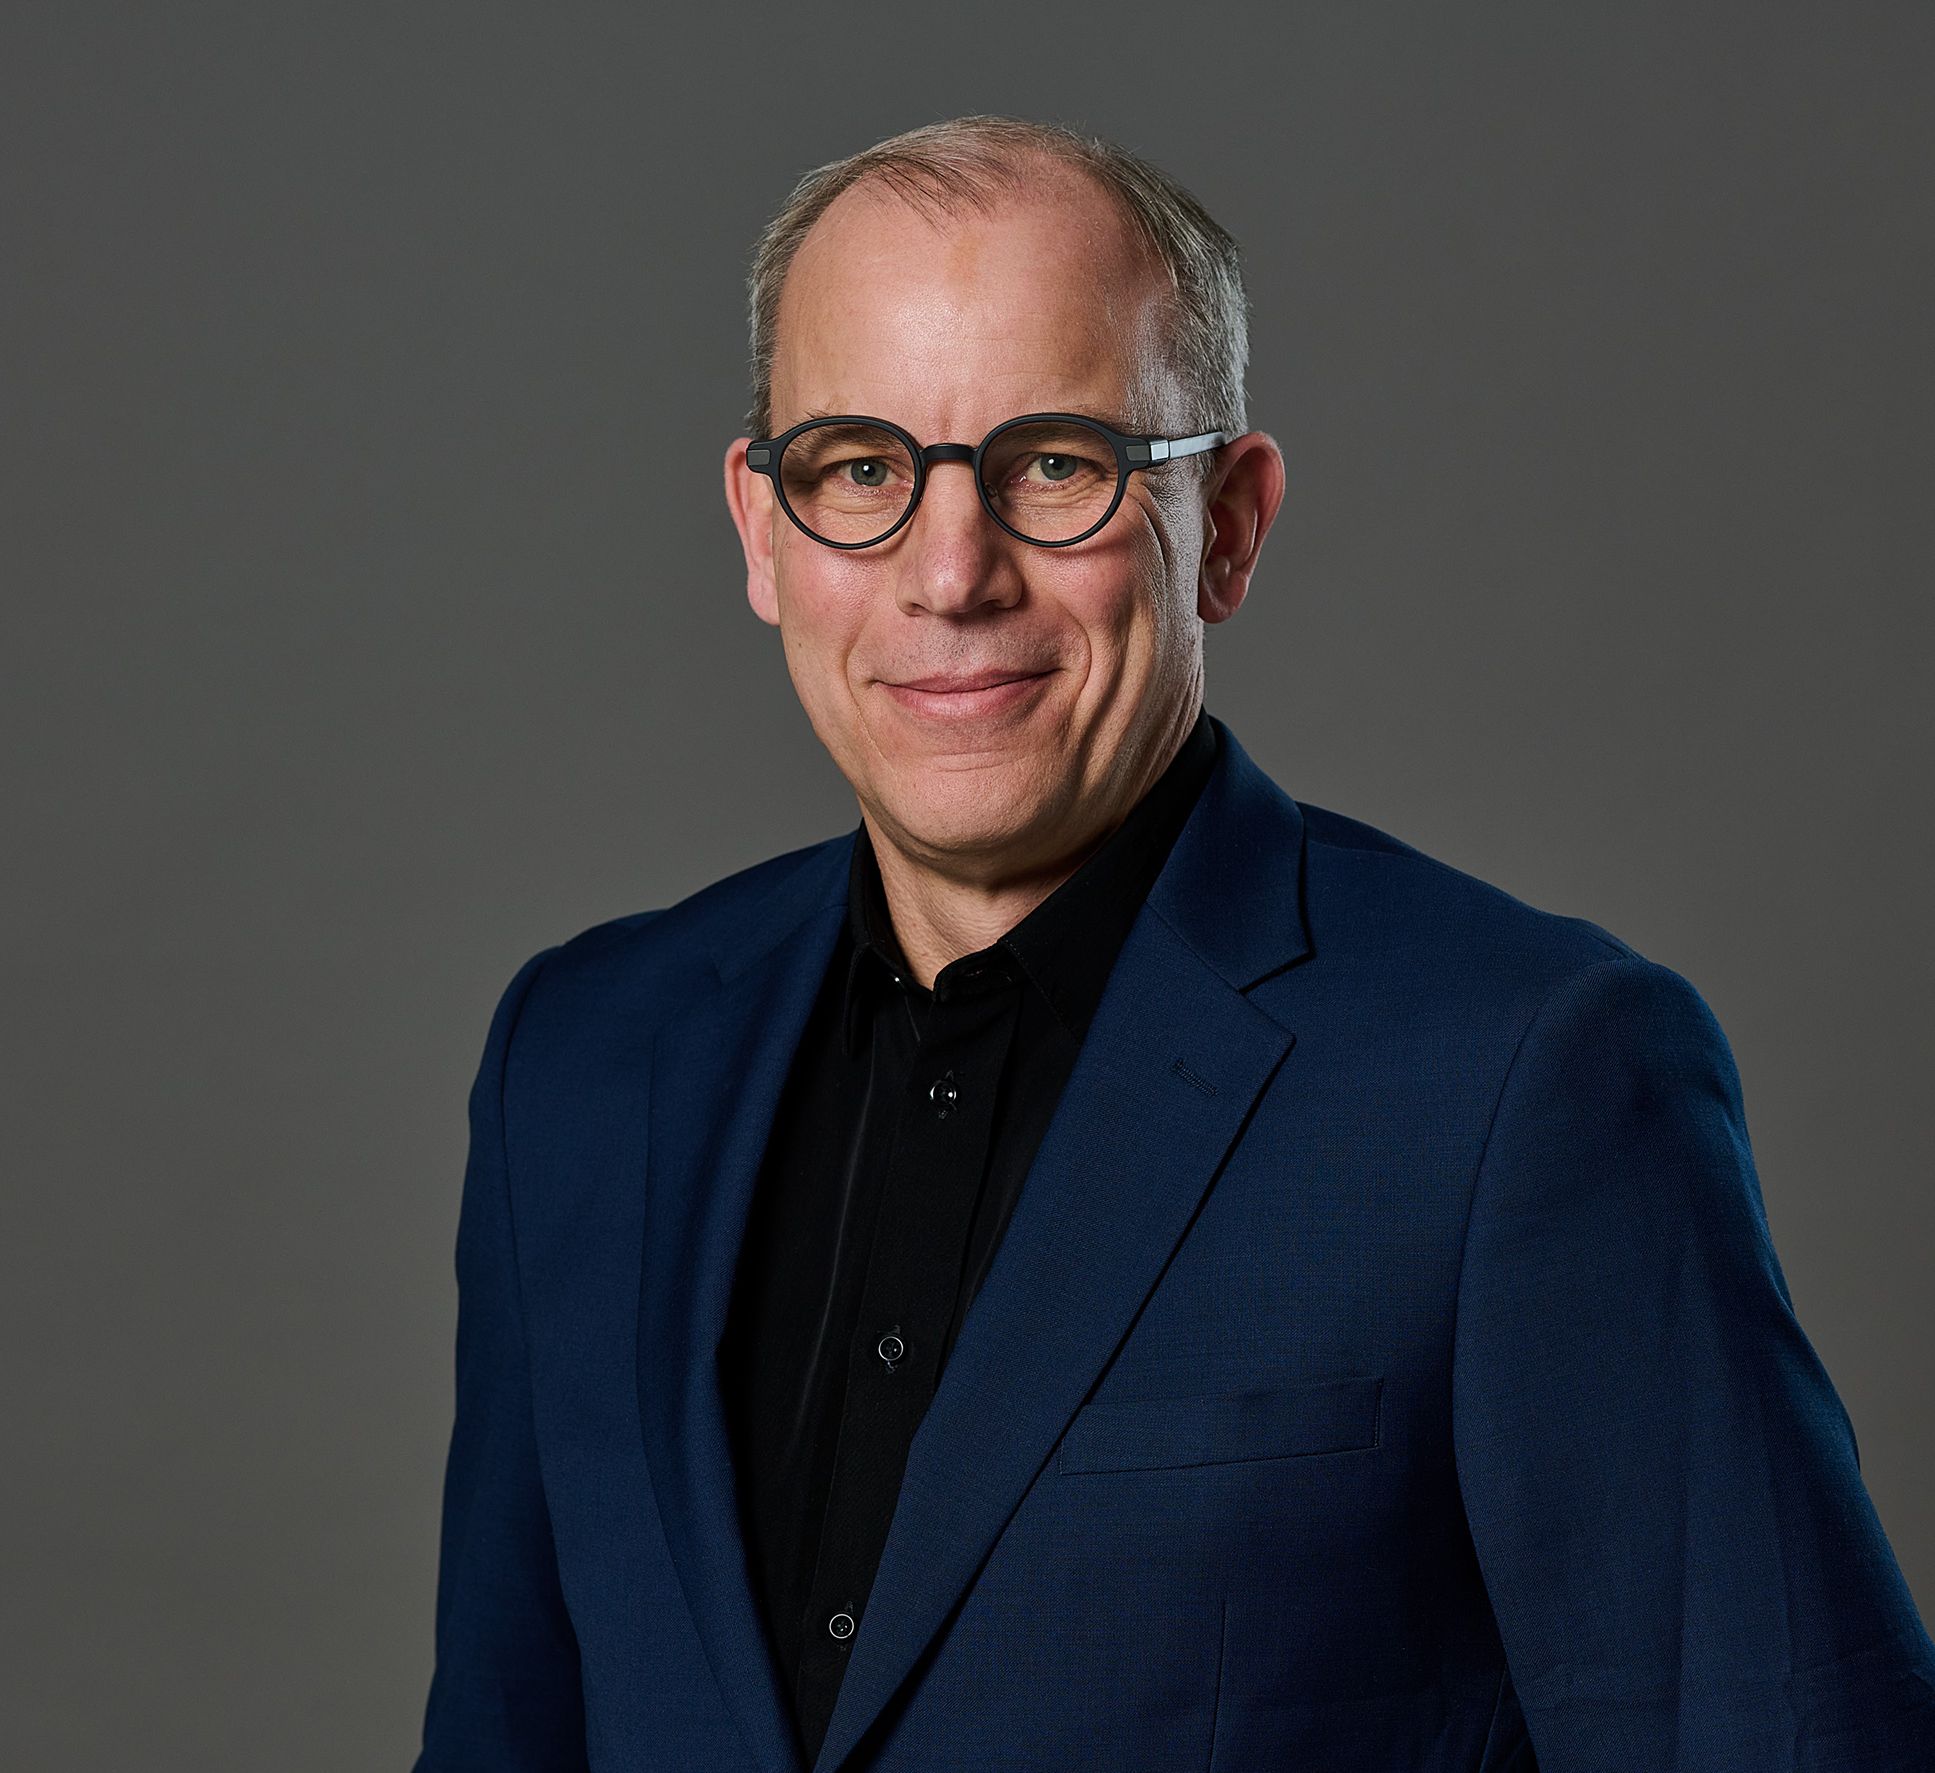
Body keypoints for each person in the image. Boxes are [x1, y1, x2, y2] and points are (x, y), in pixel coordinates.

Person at [412, 115, 1935, 1772]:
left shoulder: (1528, 1080)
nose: (950, 573)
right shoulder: (582, 1064)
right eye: (858, 468)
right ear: (761, 528)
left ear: (1230, 523)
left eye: (1057, 464)